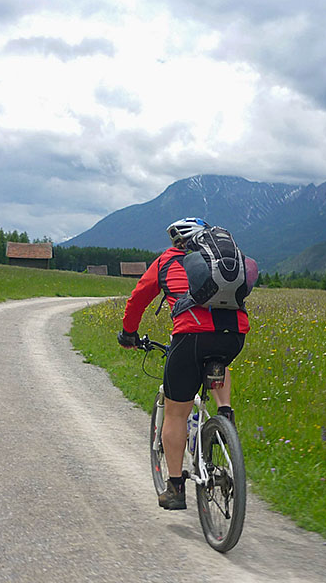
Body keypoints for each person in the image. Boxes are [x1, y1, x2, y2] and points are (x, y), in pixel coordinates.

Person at [117, 217, 250, 510]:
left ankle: (176, 488)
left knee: (177, 413)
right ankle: (225, 414)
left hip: (190, 338)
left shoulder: (168, 261)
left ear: (176, 241)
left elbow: (139, 298)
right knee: (218, 360)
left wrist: (129, 333)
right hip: (234, 335)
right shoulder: (221, 262)